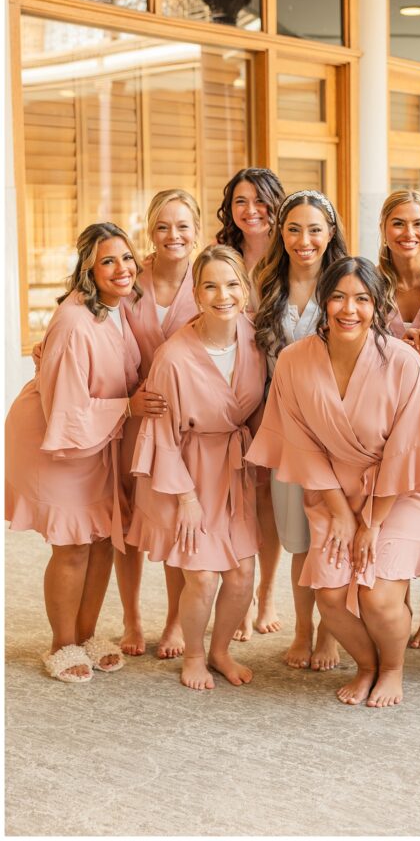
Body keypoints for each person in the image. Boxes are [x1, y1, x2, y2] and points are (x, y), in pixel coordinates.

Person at [248, 256, 420, 707]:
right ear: (323, 301)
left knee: (378, 598)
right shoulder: (293, 361)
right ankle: (366, 665)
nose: (349, 309)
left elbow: (409, 449)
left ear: (378, 306)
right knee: (331, 596)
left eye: (362, 299)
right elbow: (300, 445)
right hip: (333, 490)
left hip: (401, 492)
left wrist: (372, 523)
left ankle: (393, 669)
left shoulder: (403, 363)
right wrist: (342, 514)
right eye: (338, 297)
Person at [5, 223, 156, 682]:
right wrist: (127, 407)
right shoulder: (74, 321)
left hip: (99, 435)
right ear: (88, 267)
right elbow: (67, 406)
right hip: (56, 438)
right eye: (108, 260)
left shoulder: (114, 308)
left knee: (102, 540)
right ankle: (61, 645)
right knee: (72, 546)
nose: (122, 268)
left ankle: (86, 634)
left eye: (127, 258)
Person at [127, 245, 267, 690]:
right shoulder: (173, 356)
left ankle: (221, 650)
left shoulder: (253, 339)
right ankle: (193, 654)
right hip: (185, 471)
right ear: (197, 292)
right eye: (210, 285)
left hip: (233, 467)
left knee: (243, 572)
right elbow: (162, 434)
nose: (221, 295)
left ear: (244, 292)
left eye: (231, 285)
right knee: (203, 577)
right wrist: (185, 499)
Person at [252, 189, 347, 671]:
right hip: (286, 428)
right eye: (293, 229)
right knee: (300, 538)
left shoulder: (345, 284)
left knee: (331, 533)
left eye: (314, 229)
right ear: (281, 234)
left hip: (336, 429)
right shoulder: (265, 286)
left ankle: (330, 633)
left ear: (331, 232)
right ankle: (302, 628)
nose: (304, 239)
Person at [118, 189, 200, 659]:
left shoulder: (207, 278)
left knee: (171, 519)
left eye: (182, 226)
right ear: (150, 231)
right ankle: (131, 616)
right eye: (163, 226)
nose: (173, 235)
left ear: (196, 232)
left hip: (181, 425)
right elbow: (87, 306)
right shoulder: (130, 278)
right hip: (132, 413)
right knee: (126, 518)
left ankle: (174, 620)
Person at [216, 167, 285, 640]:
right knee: (240, 490)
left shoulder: (291, 254)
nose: (252, 210)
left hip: (281, 386)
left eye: (261, 201)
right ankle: (239, 593)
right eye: (241, 201)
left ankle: (266, 594)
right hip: (234, 387)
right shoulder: (222, 258)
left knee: (271, 496)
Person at [377, 188, 420, 649]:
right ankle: (389, 600)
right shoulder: (372, 283)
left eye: (417, 223)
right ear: (384, 229)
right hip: (384, 413)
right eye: (398, 222)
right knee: (390, 513)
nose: (408, 232)